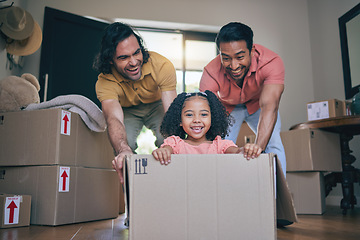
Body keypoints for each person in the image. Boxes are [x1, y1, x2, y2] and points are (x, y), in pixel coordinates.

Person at [93, 22, 177, 184]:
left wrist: (174, 143)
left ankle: (168, 184)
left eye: (136, 53)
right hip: (127, 111)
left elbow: (171, 113)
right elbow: (113, 119)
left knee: (168, 140)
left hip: (157, 105)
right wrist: (124, 150)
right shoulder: (104, 82)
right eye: (124, 57)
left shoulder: (162, 66)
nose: (133, 62)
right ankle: (137, 187)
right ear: (110, 60)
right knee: (124, 147)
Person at [199, 22, 287, 176]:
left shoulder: (271, 62)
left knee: (273, 144)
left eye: (240, 57)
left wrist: (258, 147)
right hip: (227, 107)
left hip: (259, 104)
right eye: (226, 58)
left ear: (252, 50)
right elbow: (203, 111)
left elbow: (269, 107)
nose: (233, 66)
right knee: (218, 148)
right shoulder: (211, 72)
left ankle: (276, 196)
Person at [152, 90, 243, 165]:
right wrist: (162, 152)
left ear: (213, 119)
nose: (196, 120)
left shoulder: (221, 146)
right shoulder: (174, 144)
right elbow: (166, 150)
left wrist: (247, 150)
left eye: (203, 114)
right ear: (179, 120)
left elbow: (238, 153)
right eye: (189, 115)